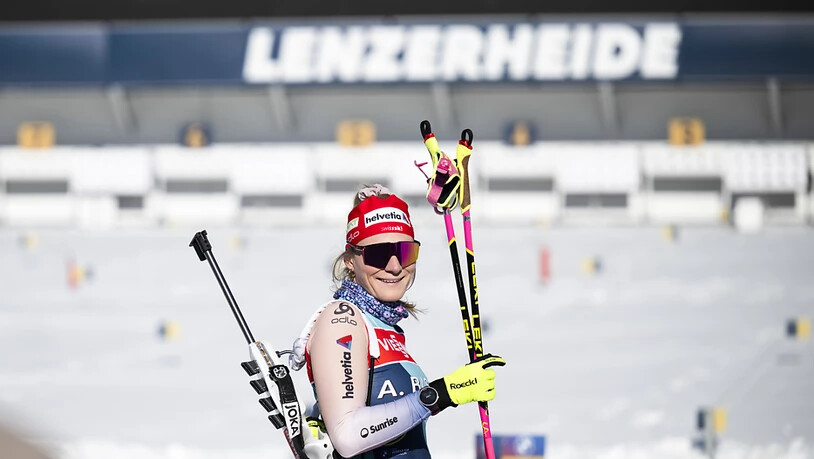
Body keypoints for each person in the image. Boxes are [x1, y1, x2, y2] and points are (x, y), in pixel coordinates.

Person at [289, 184, 505, 458]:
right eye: (378, 254)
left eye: (405, 252)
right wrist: (443, 393)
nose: (394, 266)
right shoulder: (342, 319)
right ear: (350, 261)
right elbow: (347, 435)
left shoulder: (384, 326)